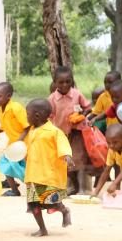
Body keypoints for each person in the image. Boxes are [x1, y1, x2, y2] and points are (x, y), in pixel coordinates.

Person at [24, 98, 73, 236]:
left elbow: (64, 146)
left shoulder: (54, 132)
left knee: (51, 203)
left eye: (28, 114)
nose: (26, 117)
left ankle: (63, 210)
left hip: (48, 176)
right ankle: (42, 229)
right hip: (32, 175)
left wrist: (67, 157)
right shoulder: (32, 130)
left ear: (37, 115)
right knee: (33, 204)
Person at [47, 66, 91, 195]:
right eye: (61, 82)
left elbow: (88, 107)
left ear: (72, 81)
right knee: (66, 162)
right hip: (61, 135)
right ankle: (73, 186)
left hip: (77, 133)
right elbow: (49, 116)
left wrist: (81, 115)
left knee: (80, 159)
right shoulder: (52, 99)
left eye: (68, 81)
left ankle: (83, 189)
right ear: (55, 83)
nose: (65, 84)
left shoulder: (77, 94)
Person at [0, 82, 29, 196]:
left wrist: (19, 142)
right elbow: (3, 127)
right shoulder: (0, 110)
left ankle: (31, 186)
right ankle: (15, 190)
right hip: (12, 145)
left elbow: (27, 127)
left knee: (21, 166)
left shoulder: (16, 107)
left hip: (23, 143)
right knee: (4, 163)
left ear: (9, 96)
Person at [91, 124, 122, 197]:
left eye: (115, 142)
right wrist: (96, 192)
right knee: (118, 167)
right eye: (108, 143)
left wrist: (114, 183)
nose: (111, 145)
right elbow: (106, 171)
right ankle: (117, 191)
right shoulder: (112, 150)